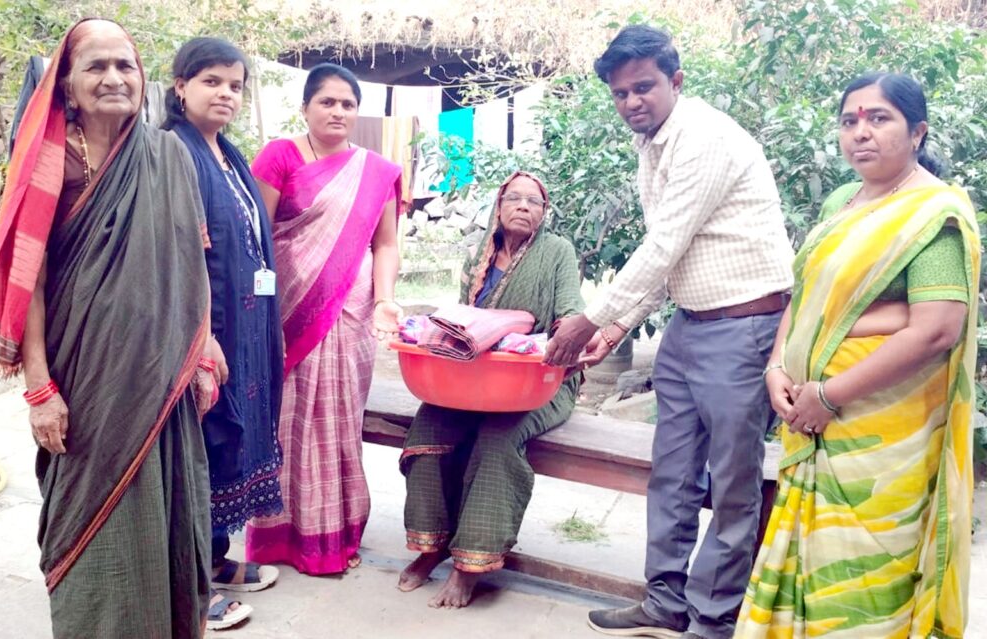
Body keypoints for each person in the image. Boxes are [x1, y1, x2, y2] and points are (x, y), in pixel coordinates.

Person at [544, 25, 797, 639]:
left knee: (733, 484)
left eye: (644, 87)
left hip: (745, 326)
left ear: (675, 81)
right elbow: (673, 256)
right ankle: (664, 602)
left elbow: (663, 244)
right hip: (689, 324)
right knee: (673, 473)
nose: (632, 101)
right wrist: (618, 326)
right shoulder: (653, 143)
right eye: (620, 93)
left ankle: (712, 620)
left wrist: (590, 319)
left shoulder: (704, 136)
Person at [0, 19, 218, 637]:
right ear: (67, 85)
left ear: (142, 78)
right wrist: (39, 389)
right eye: (96, 66)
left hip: (163, 371)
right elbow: (30, 280)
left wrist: (203, 347)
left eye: (125, 66)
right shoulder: (47, 160)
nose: (113, 78)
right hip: (86, 379)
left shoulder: (168, 154)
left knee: (171, 507)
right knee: (87, 513)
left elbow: (191, 260)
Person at [735, 72, 979, 639]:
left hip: (881, 441)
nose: (860, 133)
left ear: (917, 132)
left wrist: (828, 395)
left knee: (863, 573)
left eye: (879, 118)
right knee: (807, 562)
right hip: (808, 418)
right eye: (850, 121)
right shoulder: (843, 201)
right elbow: (808, 296)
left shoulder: (934, 216)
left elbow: (937, 330)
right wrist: (777, 365)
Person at [396, 172, 584, 608]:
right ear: (499, 207)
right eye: (514, 198)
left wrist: (565, 337)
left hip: (539, 380)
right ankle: (433, 546)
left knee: (497, 439)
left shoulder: (557, 251)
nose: (523, 206)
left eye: (534, 201)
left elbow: (571, 311)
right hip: (478, 376)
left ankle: (470, 566)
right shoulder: (479, 254)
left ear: (544, 213)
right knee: (427, 428)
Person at [245, 63, 403, 574]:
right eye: (327, 102)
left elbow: (385, 244)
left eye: (347, 104)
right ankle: (280, 534)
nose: (338, 112)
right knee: (285, 421)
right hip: (286, 310)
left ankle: (335, 533)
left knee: (339, 422)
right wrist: (260, 311)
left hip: (351, 314)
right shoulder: (280, 155)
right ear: (306, 108)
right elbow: (256, 236)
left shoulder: (376, 171)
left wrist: (384, 299)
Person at [163, 37, 285, 628]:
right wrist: (201, 333)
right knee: (204, 448)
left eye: (235, 85)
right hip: (202, 332)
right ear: (180, 85)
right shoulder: (172, 151)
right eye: (211, 81)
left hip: (244, 327)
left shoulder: (228, 154)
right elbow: (176, 255)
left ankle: (214, 559)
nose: (225, 94)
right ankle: (190, 588)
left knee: (230, 444)